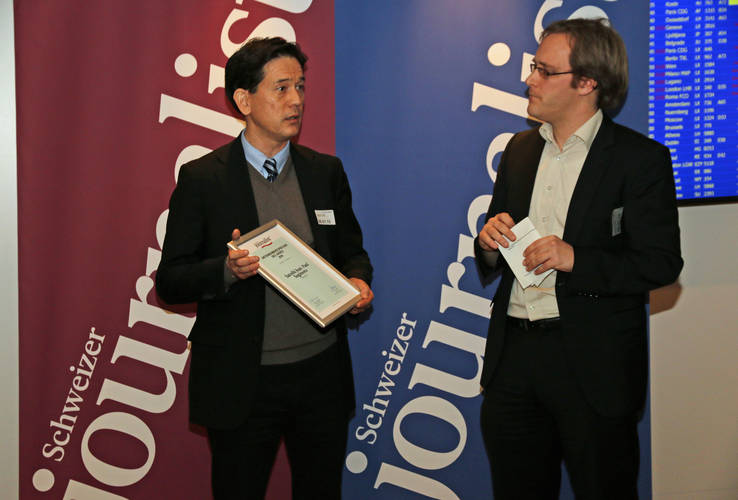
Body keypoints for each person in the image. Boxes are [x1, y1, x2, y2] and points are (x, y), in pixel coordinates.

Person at [155, 37, 374, 499]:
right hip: (242, 381)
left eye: (301, 86)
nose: (296, 100)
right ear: (244, 100)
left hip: (321, 376)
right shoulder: (203, 179)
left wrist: (358, 280)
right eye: (281, 88)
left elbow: (353, 252)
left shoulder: (325, 172)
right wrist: (227, 270)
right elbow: (170, 281)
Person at [475, 18, 682, 499]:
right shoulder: (518, 151)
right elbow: (495, 254)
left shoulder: (640, 159)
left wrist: (576, 258)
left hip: (593, 365)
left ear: (587, 83)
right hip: (514, 360)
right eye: (533, 67)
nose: (530, 79)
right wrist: (487, 244)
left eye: (544, 71)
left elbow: (660, 263)